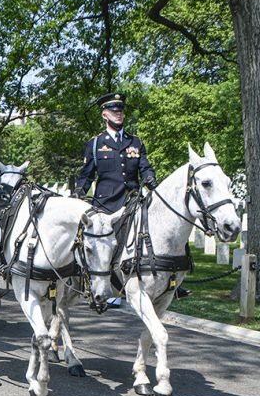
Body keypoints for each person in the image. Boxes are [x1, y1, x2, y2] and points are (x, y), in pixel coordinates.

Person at [73, 92, 187, 302]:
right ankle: (92, 282)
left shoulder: (135, 142)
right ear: (105, 115)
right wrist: (78, 193)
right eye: (114, 111)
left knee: (160, 232)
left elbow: (145, 168)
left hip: (133, 203)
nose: (119, 114)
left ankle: (172, 281)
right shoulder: (96, 144)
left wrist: (152, 181)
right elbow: (86, 174)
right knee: (101, 244)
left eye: (121, 111)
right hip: (106, 206)